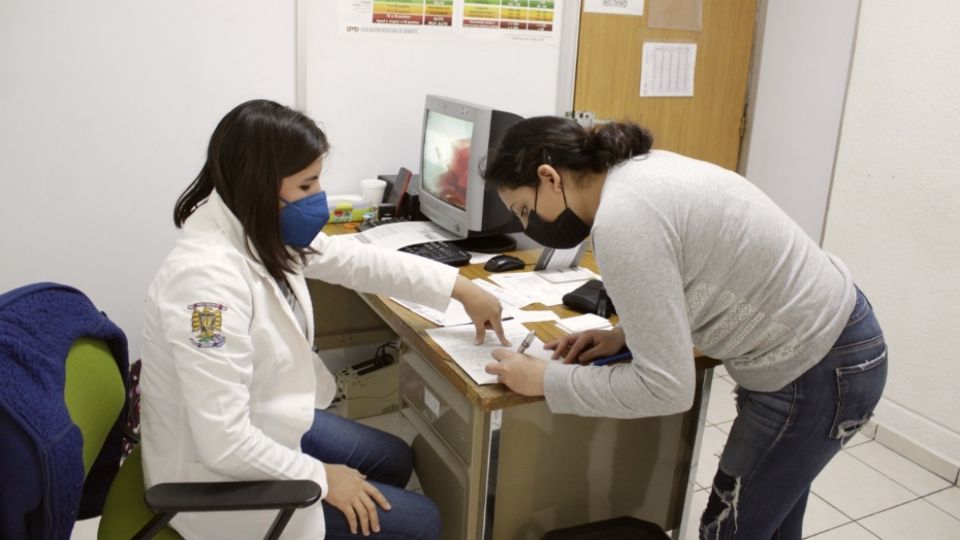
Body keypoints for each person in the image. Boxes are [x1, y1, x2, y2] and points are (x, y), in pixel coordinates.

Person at [482, 116, 887, 539]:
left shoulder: (623, 219)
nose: (529, 227)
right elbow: (700, 267)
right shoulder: (637, 172)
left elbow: (666, 389)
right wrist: (627, 334)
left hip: (818, 366)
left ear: (549, 177)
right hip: (834, 338)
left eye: (525, 210)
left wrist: (547, 381)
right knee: (773, 524)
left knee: (728, 529)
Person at [140, 99, 509, 540]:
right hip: (218, 481)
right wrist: (321, 477)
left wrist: (460, 287)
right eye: (307, 183)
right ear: (258, 186)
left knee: (394, 459)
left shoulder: (255, 227)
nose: (319, 197)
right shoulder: (204, 284)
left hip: (265, 419)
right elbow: (224, 443)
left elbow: (354, 261)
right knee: (423, 522)